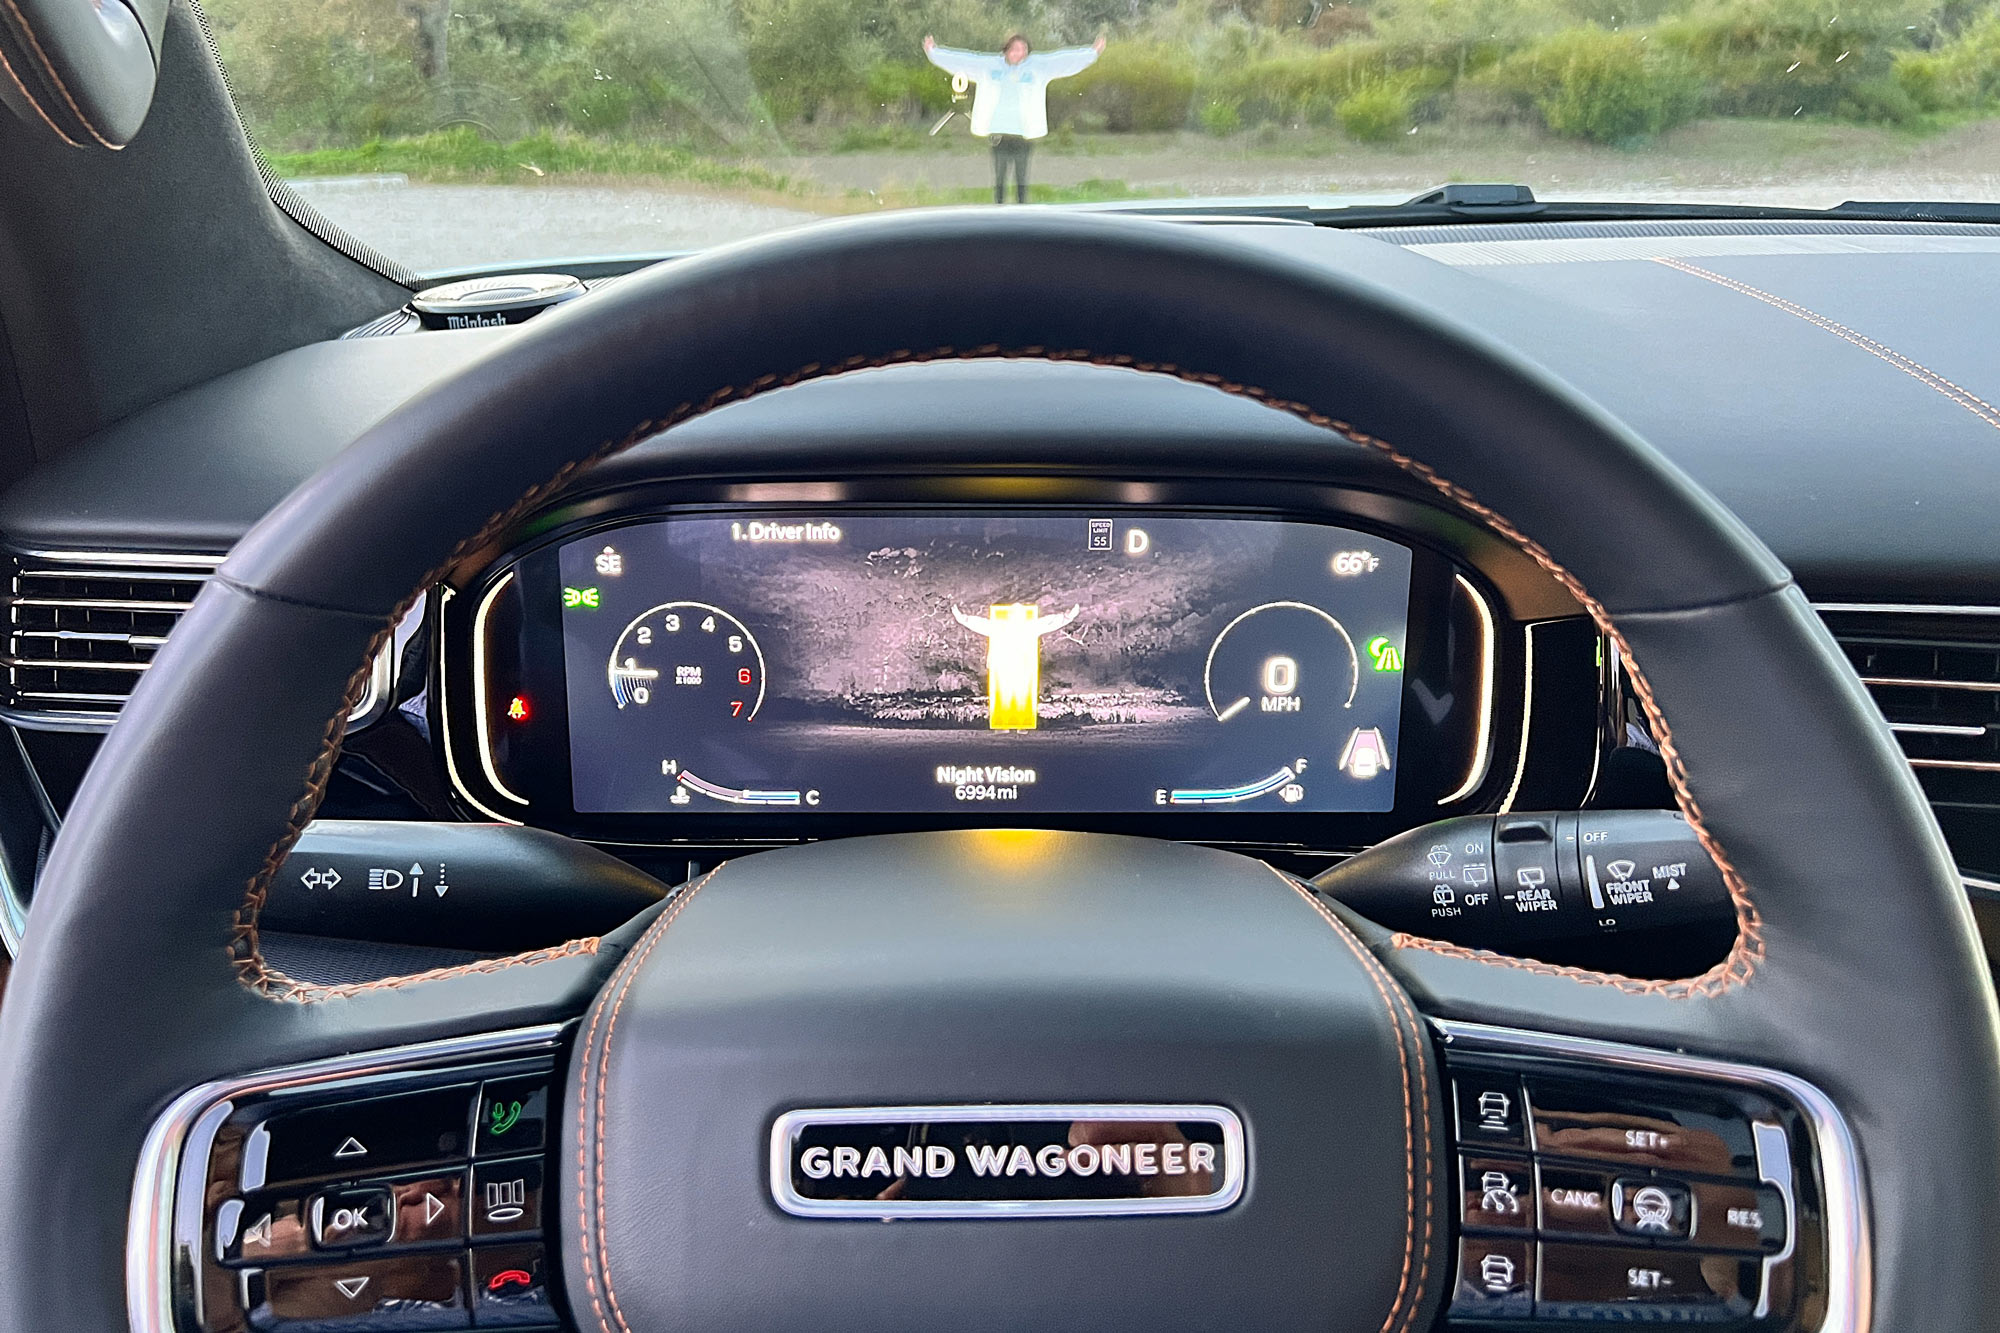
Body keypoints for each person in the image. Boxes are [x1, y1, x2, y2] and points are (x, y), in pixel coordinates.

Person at [924, 33, 1106, 204]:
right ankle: (999, 210)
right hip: (998, 133)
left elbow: (1062, 60)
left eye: (1024, 49)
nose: (1020, 53)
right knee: (1000, 176)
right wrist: (934, 52)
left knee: (1021, 177)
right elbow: (963, 60)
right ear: (1007, 50)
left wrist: (1092, 53)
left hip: (1024, 134)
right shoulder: (989, 66)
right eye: (1016, 49)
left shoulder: (1037, 66)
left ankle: (1022, 212)